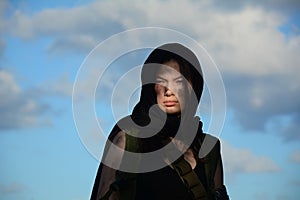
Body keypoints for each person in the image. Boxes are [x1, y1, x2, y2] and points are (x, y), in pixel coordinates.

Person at [90, 43, 230, 200]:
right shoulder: (129, 141)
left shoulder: (209, 149)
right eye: (161, 81)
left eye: (178, 81)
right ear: (151, 87)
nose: (168, 91)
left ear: (193, 87)